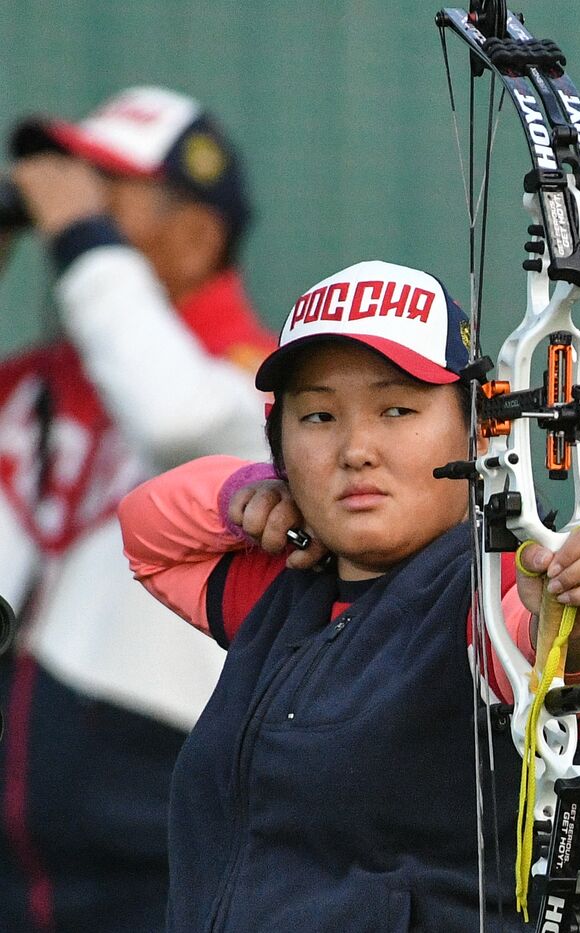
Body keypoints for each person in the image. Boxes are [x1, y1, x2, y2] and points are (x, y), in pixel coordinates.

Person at [117, 259, 580, 931]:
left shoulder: (496, 584)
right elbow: (147, 529)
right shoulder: (288, 592)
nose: (356, 448)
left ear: (481, 431)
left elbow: (555, 650)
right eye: (319, 416)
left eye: (398, 409)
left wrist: (578, 617)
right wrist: (249, 491)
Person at [0, 87, 274, 932]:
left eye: (109, 190)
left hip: (153, 838)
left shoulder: (262, 385)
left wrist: (86, 243)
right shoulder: (34, 386)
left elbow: (172, 418)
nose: (69, 209)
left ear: (198, 233)